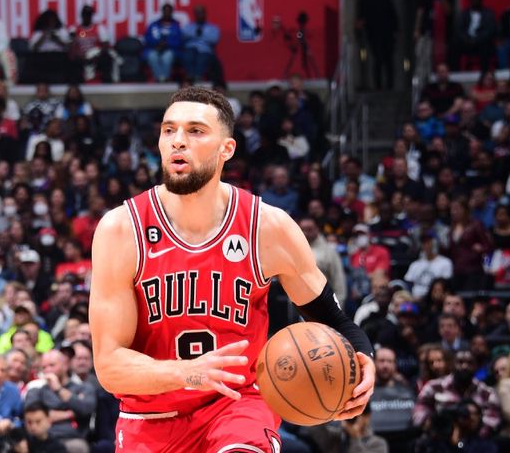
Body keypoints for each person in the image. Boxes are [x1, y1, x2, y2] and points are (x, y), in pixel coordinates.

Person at [89, 86, 375, 451]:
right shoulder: (121, 230)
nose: (178, 141)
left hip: (238, 406)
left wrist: (363, 358)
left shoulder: (268, 227)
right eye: (169, 130)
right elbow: (110, 365)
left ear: (227, 149)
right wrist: (187, 373)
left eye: (195, 131)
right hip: (151, 418)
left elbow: (334, 320)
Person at [356, 0, 398, 90]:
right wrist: (360, 23)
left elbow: (393, 16)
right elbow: (361, 16)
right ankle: (378, 86)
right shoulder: (365, 0)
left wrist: (395, 31)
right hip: (373, 34)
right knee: (378, 59)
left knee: (389, 60)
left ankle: (390, 86)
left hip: (387, 34)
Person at [143, 3, 182, 83]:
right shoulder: (154, 25)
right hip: (155, 48)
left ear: (172, 12)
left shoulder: (176, 25)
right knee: (152, 56)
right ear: (162, 12)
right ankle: (159, 78)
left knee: (167, 57)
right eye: (165, 11)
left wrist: (168, 43)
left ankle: (165, 78)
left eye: (169, 11)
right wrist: (157, 43)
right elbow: (147, 38)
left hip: (170, 49)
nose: (167, 13)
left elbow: (179, 40)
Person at [182, 5, 221, 83]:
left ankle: (198, 76)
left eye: (201, 13)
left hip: (205, 50)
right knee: (188, 54)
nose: (199, 15)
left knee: (202, 56)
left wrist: (201, 34)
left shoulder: (212, 27)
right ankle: (190, 75)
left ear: (204, 14)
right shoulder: (189, 26)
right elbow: (183, 36)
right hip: (191, 49)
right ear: (195, 14)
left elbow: (214, 39)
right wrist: (195, 34)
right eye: (197, 13)